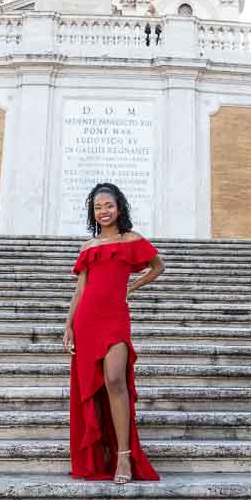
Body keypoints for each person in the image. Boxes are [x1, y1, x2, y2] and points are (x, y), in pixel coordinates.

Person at [64, 182, 164, 483]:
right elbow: (80, 289)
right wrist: (68, 324)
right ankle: (102, 456)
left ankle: (123, 458)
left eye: (108, 205)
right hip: (86, 321)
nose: (103, 211)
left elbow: (158, 266)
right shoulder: (88, 247)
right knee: (94, 391)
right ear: (92, 214)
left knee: (116, 379)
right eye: (97, 208)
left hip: (115, 318)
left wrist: (133, 286)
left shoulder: (132, 240)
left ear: (119, 207)